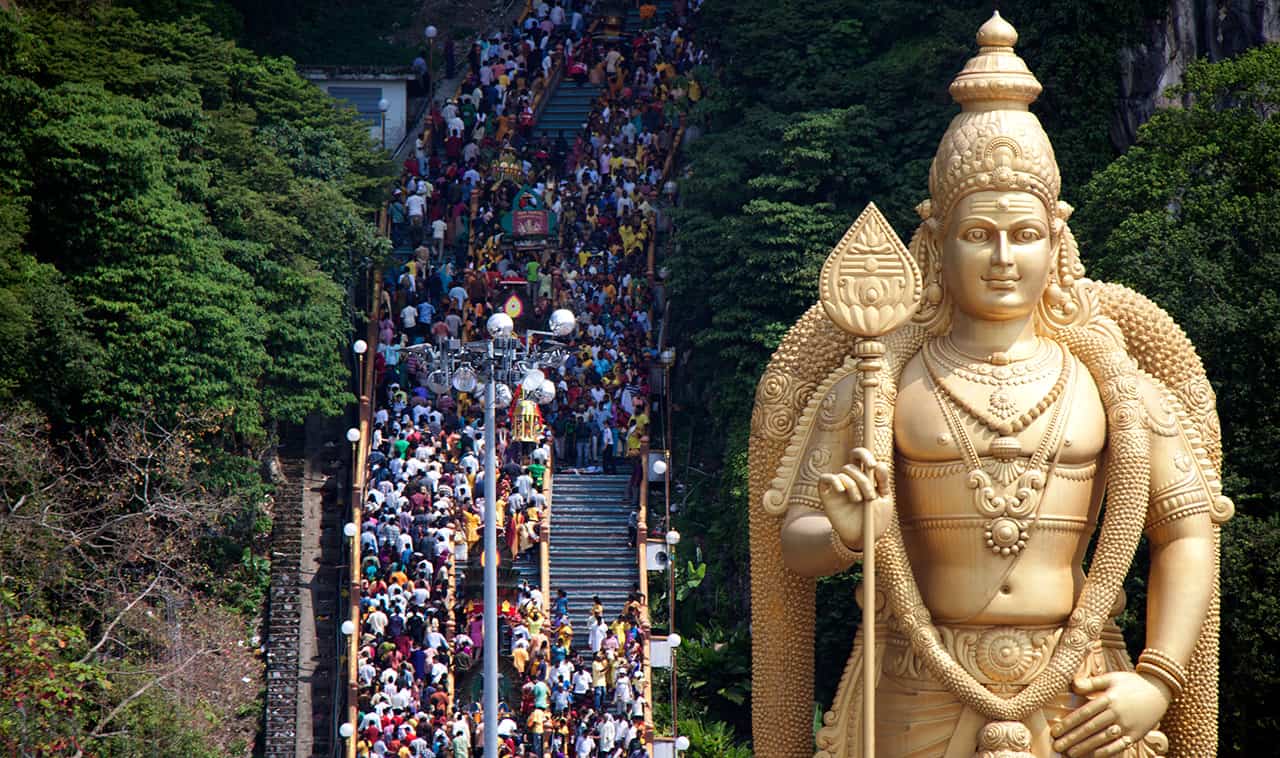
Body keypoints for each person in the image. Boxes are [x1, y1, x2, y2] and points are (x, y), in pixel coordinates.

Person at [754, 13, 1232, 758]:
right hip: (915, 689)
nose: (1004, 257)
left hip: (1080, 693)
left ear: (1058, 236)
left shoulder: (1113, 384)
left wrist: (1159, 678)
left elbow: (1187, 531)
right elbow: (796, 542)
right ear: (937, 238)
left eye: (1025, 234)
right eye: (979, 234)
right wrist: (849, 532)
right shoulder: (878, 382)